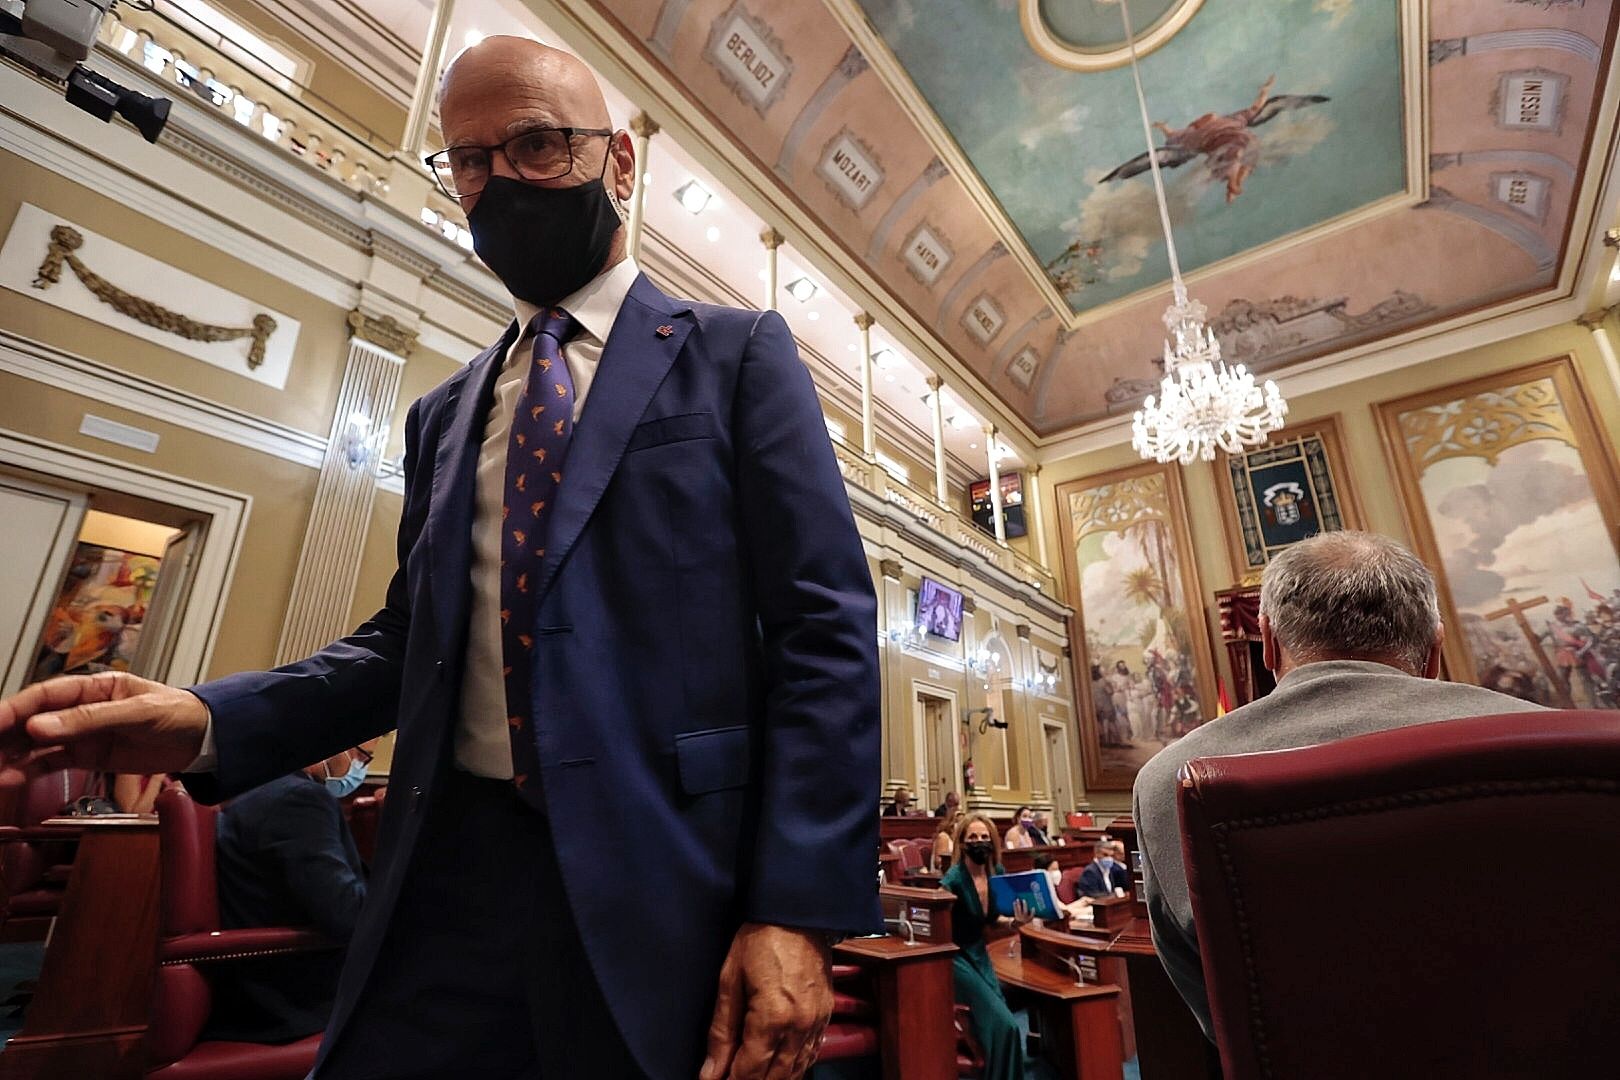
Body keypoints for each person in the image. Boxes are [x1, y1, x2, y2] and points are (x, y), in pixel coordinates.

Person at [0, 37, 881, 1080]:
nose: (499, 181)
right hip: (443, 884)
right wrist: (206, 720)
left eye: (539, 145)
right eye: (469, 160)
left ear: (622, 165)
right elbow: (404, 645)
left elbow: (824, 632)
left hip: (661, 886)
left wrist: (794, 909)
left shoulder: (736, 355)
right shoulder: (443, 414)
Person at [1133, 531, 1547, 1038]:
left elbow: (1218, 1010)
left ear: (1269, 642)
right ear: (1435, 648)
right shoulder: (1564, 744)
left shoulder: (1168, 782)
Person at [206, 745, 373, 1045]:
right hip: (293, 1004)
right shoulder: (300, 799)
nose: (360, 768)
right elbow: (346, 915)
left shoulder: (258, 791)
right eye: (361, 756)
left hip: (257, 990)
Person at [939, 813, 1030, 1080]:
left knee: (996, 1021)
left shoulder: (996, 874)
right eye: (973, 838)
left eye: (984, 837)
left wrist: (1016, 922)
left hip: (979, 954)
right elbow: (938, 925)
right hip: (957, 958)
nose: (979, 842)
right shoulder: (952, 881)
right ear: (962, 843)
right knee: (1006, 1025)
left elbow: (993, 920)